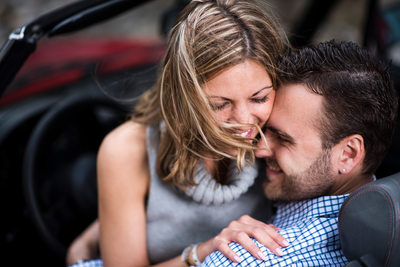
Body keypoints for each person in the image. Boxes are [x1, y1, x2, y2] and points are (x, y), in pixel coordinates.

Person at [67, 0, 289, 266]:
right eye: (219, 104)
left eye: (259, 98)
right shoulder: (127, 150)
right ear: (183, 97)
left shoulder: (286, 131)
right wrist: (204, 252)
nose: (243, 121)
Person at [201, 40, 399, 266]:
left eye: (283, 138)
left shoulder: (243, 258)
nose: (259, 149)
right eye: (265, 130)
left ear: (348, 154)